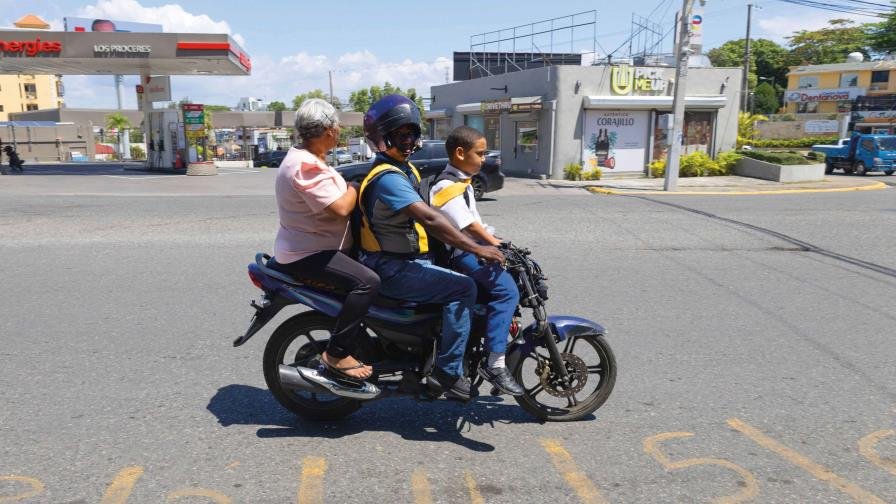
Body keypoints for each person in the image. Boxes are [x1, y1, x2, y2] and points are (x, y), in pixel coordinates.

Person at [358, 95, 504, 400]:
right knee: (463, 289)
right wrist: (477, 249)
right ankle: (447, 373)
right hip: (392, 267)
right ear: (383, 138)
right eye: (402, 134)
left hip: (404, 259)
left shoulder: (404, 169)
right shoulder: (388, 178)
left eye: (412, 133)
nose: (410, 140)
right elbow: (429, 217)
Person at [268, 98, 380, 381]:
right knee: (368, 282)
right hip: (307, 254)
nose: (340, 130)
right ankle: (337, 353)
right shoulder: (304, 165)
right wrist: (355, 186)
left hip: (313, 246)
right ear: (329, 130)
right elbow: (341, 208)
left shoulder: (307, 158)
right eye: (338, 125)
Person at [429, 126, 523, 396]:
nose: (484, 159)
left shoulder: (462, 184)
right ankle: (495, 363)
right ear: (460, 153)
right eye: (479, 153)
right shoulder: (446, 186)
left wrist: (501, 241)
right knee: (507, 291)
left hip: (472, 252)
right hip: (464, 256)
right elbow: (468, 226)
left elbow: (478, 224)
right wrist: (493, 244)